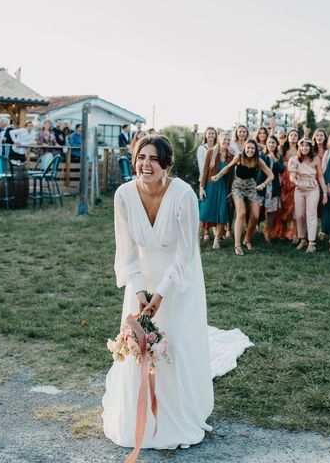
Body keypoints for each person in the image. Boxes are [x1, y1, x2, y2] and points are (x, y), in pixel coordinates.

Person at [102, 134, 217, 450]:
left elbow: (186, 252)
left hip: (178, 280)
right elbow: (125, 251)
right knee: (140, 346)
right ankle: (138, 416)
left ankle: (175, 415)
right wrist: (140, 291)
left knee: (174, 344)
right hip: (141, 279)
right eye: (141, 157)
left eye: (153, 158)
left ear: (166, 164)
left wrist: (161, 293)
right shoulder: (124, 195)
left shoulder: (183, 195)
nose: (145, 164)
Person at [211, 139, 274, 256]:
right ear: (244, 148)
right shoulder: (239, 157)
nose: (250, 150)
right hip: (238, 187)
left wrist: (263, 184)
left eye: (252, 148)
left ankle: (247, 239)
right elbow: (228, 167)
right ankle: (237, 244)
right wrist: (217, 175)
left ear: (255, 150)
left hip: (251, 187)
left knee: (255, 215)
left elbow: (271, 175)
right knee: (241, 214)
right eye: (248, 148)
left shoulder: (258, 160)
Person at [288, 139, 327, 253]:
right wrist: (297, 182)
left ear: (310, 147)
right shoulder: (295, 160)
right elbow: (292, 176)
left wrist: (324, 192)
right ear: (299, 147)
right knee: (299, 215)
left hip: (312, 188)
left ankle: (311, 243)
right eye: (302, 146)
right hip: (299, 188)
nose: (304, 148)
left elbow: (320, 176)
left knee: (311, 214)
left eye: (307, 146)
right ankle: (302, 239)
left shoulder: (315, 159)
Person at [199, 132, 234, 250]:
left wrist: (231, 190)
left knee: (221, 214)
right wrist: (201, 188)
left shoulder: (231, 155)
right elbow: (204, 171)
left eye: (229, 140)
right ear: (219, 140)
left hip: (223, 187)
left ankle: (217, 240)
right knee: (203, 213)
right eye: (224, 140)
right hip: (210, 185)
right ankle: (195, 241)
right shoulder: (211, 152)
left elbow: (232, 175)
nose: (226, 142)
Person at [257, 135, 284, 243]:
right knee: (257, 212)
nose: (271, 144)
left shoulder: (279, 156)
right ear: (266, 144)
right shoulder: (261, 155)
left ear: (276, 144)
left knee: (271, 213)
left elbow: (282, 170)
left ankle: (267, 233)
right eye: (269, 142)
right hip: (262, 186)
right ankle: (252, 229)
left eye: (273, 142)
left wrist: (276, 161)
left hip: (273, 188)